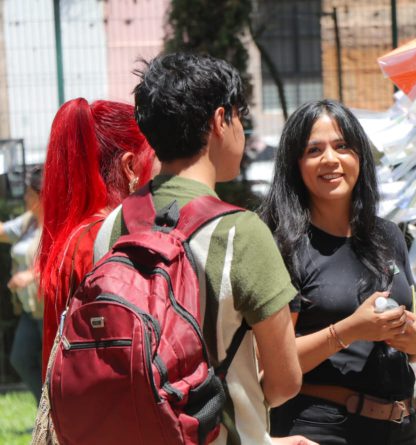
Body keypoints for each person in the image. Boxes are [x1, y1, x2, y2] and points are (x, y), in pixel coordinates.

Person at [93, 52, 312, 445]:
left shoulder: (111, 227)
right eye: (239, 117)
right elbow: (284, 383)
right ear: (220, 120)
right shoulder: (241, 233)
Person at [263, 99, 416, 444]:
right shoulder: (281, 244)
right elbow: (273, 365)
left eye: (342, 146)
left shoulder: (387, 234)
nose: (331, 159)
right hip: (320, 429)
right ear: (295, 164)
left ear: (359, 155)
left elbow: (414, 340)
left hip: (399, 427)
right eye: (314, 150)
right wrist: (349, 330)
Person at [38, 98, 157, 373]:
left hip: (74, 408)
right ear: (130, 167)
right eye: (155, 159)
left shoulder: (78, 234)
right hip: (107, 410)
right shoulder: (106, 238)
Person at [0, 166, 44, 403]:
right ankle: (45, 409)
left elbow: (64, 258)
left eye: (29, 193)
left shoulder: (56, 225)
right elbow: (2, 232)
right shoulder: (28, 222)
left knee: (53, 367)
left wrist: (31, 275)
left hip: (50, 312)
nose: (25, 197)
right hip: (30, 311)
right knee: (20, 357)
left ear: (40, 196)